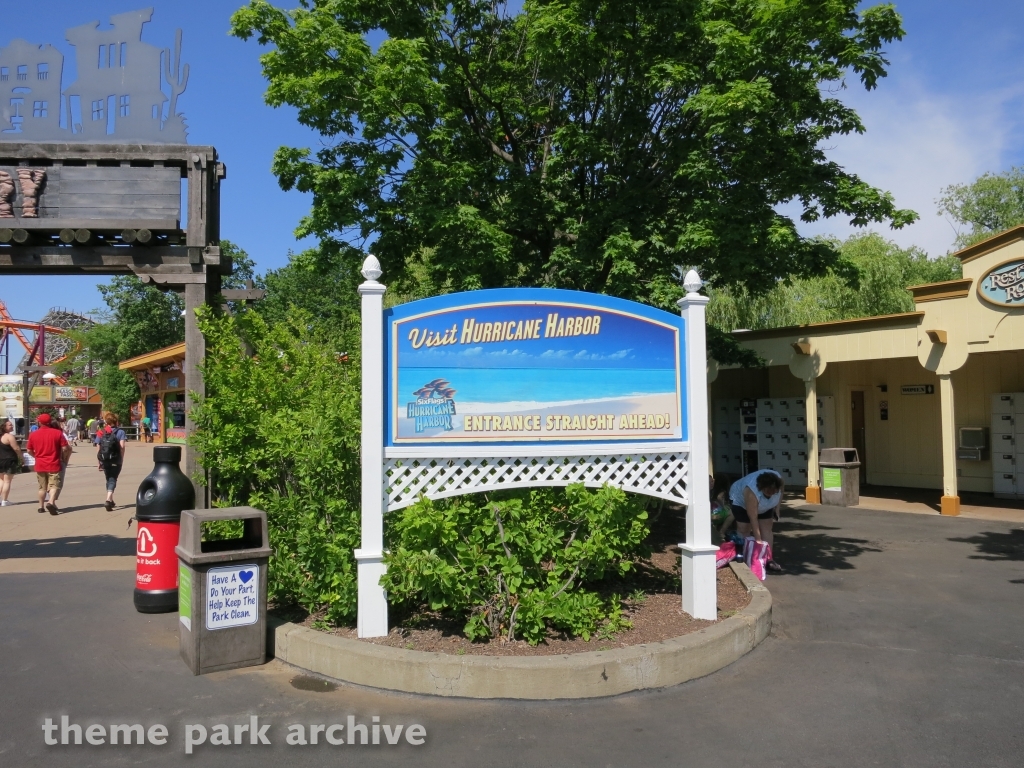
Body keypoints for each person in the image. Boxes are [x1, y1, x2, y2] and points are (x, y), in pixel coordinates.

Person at [728, 469, 784, 573]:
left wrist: (777, 508)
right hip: (741, 502)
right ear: (762, 487)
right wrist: (758, 541)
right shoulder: (752, 490)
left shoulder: (778, 480)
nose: (771, 494)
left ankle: (768, 559)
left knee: (767, 528)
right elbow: (753, 517)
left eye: (773, 492)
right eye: (768, 492)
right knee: (744, 528)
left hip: (765, 505)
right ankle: (744, 557)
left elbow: (781, 490)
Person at [25, 413, 71, 515]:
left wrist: (36, 456)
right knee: (54, 485)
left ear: (39, 422)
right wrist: (63, 457)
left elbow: (28, 450)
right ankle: (51, 502)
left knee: (42, 487)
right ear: (50, 422)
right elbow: (65, 448)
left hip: (40, 464)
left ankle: (41, 507)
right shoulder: (57, 433)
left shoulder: (33, 434)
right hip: (54, 463)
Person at [95, 412, 127, 511]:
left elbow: (98, 447)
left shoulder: (101, 432)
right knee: (113, 478)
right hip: (116, 459)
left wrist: (99, 461)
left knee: (108, 478)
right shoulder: (120, 432)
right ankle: (108, 499)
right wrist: (121, 458)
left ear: (106, 421)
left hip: (104, 459)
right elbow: (122, 447)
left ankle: (111, 500)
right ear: (115, 421)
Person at [0, 419, 23, 507]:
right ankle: (5, 500)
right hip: (9, 460)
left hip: (1, 460)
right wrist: (22, 458)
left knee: (1, 480)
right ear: (4, 427)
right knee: (7, 481)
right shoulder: (9, 437)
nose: (12, 426)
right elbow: (16, 448)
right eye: (10, 425)